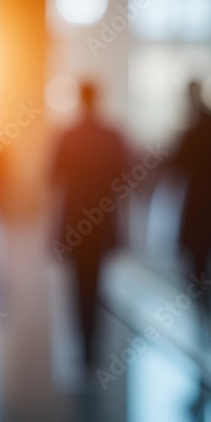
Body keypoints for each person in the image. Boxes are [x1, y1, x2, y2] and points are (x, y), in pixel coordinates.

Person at [49, 81, 126, 370]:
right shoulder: (111, 135)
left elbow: (54, 177)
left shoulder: (68, 135)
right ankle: (93, 344)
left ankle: (81, 342)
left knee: (76, 284)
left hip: (75, 218)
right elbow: (123, 176)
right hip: (102, 219)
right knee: (97, 283)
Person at [169, 81, 211, 340]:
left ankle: (206, 315)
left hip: (200, 207)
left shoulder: (195, 129)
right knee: (207, 263)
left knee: (200, 263)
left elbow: (177, 164)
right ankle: (208, 314)